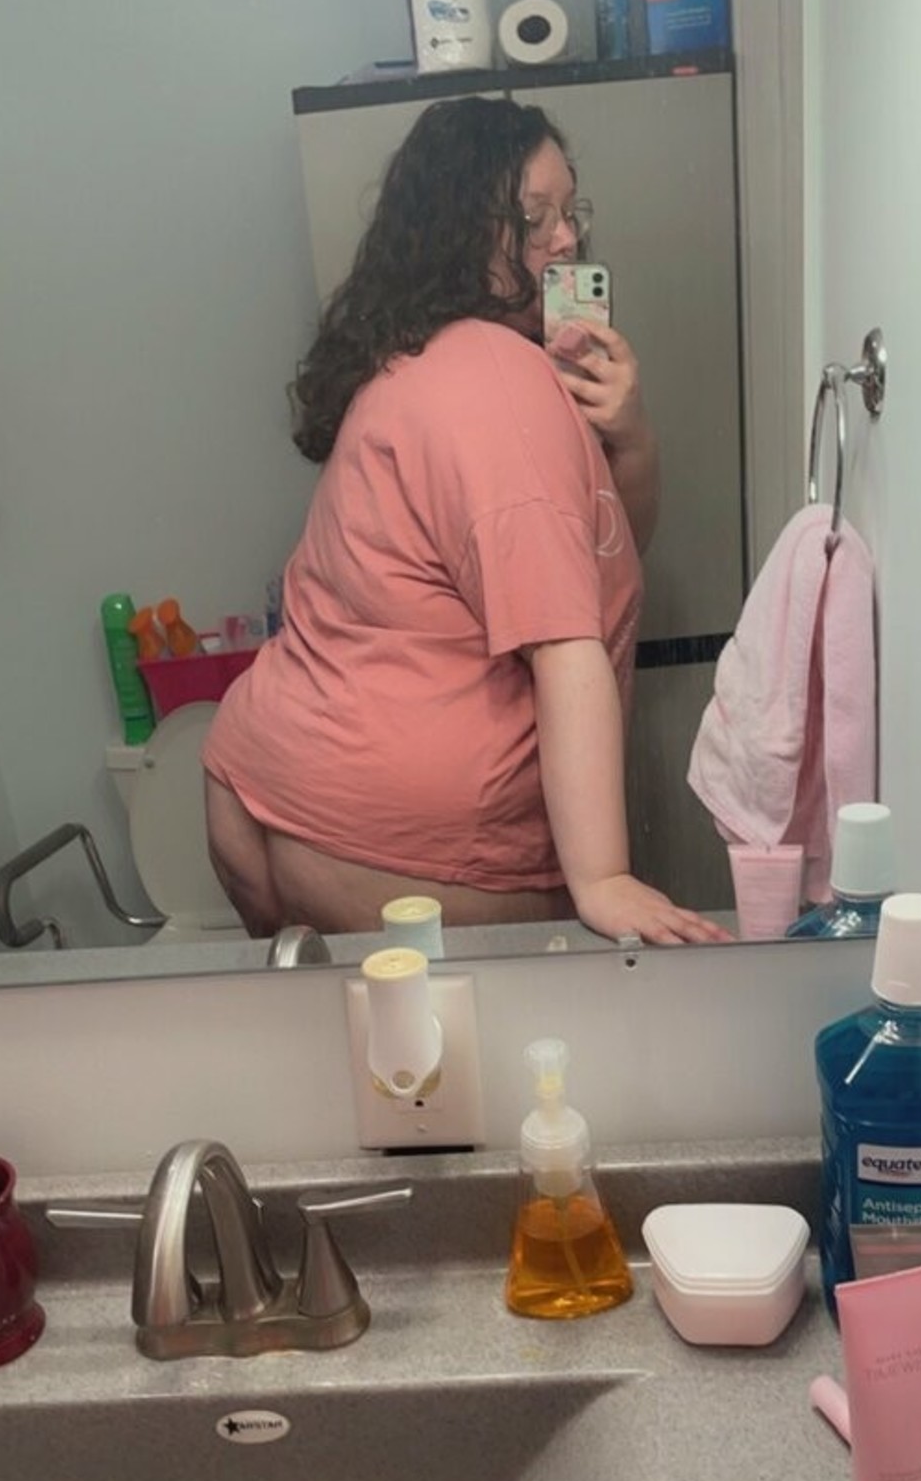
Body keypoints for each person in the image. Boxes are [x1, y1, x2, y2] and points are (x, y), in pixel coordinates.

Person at [203, 95, 727, 947]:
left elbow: (600, 552)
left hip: (264, 787)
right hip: (403, 858)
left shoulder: (407, 356)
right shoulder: (501, 382)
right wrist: (603, 880)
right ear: (460, 231)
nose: (566, 240)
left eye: (570, 211)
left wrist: (630, 437)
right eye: (533, 220)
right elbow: (564, 638)